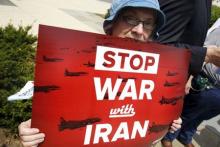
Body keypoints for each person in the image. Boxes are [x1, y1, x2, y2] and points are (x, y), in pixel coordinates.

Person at [18, 0, 182, 146]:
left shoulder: (161, 73)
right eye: (131, 19)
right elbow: (56, 111)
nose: (139, 30)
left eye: (148, 23)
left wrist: (168, 118)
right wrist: (35, 129)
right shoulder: (74, 61)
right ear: (112, 23)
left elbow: (151, 121)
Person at [161, 17, 220, 147]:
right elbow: (204, 50)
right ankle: (169, 138)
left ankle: (185, 137)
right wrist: (190, 78)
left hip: (215, 91)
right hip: (207, 83)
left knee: (195, 120)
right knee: (181, 118)